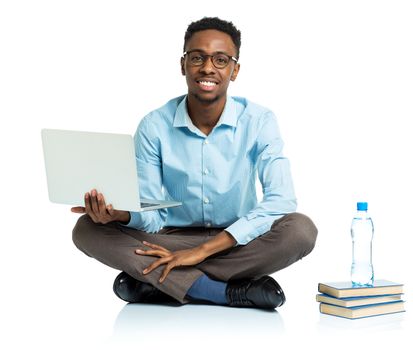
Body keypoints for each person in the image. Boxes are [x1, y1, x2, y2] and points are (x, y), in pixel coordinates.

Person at [71, 17, 317, 309]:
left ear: (235, 70)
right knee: (86, 229)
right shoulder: (154, 125)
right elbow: (151, 215)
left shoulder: (259, 121)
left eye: (221, 60)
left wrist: (203, 252)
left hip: (239, 239)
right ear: (183, 64)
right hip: (171, 241)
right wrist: (121, 215)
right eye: (197, 57)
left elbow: (281, 201)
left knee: (301, 231)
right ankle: (221, 291)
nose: (208, 68)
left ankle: (156, 281)